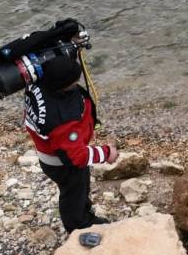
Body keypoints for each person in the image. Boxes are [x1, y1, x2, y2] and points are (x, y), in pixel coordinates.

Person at [24, 55, 118, 233]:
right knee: (72, 193)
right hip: (62, 164)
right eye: (74, 82)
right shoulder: (62, 120)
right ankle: (78, 226)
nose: (77, 83)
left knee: (79, 189)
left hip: (50, 153)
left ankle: (85, 212)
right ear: (63, 86)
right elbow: (78, 157)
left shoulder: (37, 81)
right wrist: (107, 153)